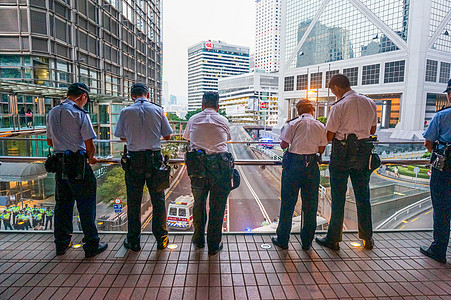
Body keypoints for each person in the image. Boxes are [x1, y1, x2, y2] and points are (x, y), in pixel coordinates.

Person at [316, 74, 377, 251]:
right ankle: (367, 238)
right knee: (363, 196)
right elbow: (372, 129)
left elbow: (329, 135)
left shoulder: (339, 106)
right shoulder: (369, 103)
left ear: (335, 88)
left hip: (342, 153)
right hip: (363, 153)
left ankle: (333, 239)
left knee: (338, 197)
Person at [46, 82, 107, 257]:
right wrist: (91, 157)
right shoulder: (79, 113)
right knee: (86, 204)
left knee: (63, 205)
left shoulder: (53, 112)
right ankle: (92, 244)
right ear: (82, 96)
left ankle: (61, 244)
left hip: (59, 163)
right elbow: (89, 143)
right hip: (77, 163)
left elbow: (50, 141)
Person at [114, 83, 173, 252]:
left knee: (133, 202)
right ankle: (161, 239)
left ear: (132, 96)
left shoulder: (125, 112)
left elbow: (121, 137)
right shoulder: (158, 110)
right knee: (158, 200)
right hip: (154, 159)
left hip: (134, 160)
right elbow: (167, 136)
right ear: (148, 95)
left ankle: (133, 241)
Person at [272, 100, 328, 250]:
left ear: (298, 111)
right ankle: (307, 242)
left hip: (294, 166)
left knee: (288, 204)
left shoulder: (293, 124)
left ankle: (283, 240)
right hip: (311, 167)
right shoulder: (320, 125)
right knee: (311, 206)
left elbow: (283, 145)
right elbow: (321, 149)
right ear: (312, 110)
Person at [183, 92, 233, 255]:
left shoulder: (193, 119)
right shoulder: (223, 120)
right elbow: (227, 139)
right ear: (218, 107)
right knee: (217, 207)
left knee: (198, 204)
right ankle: (213, 244)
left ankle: (198, 240)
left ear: (202, 105)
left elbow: (187, 138)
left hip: (198, 167)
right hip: (220, 167)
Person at [420, 79, 451, 263]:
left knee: (441, 209)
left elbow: (428, 142)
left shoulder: (442, 116)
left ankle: (439, 249)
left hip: (445, 169)